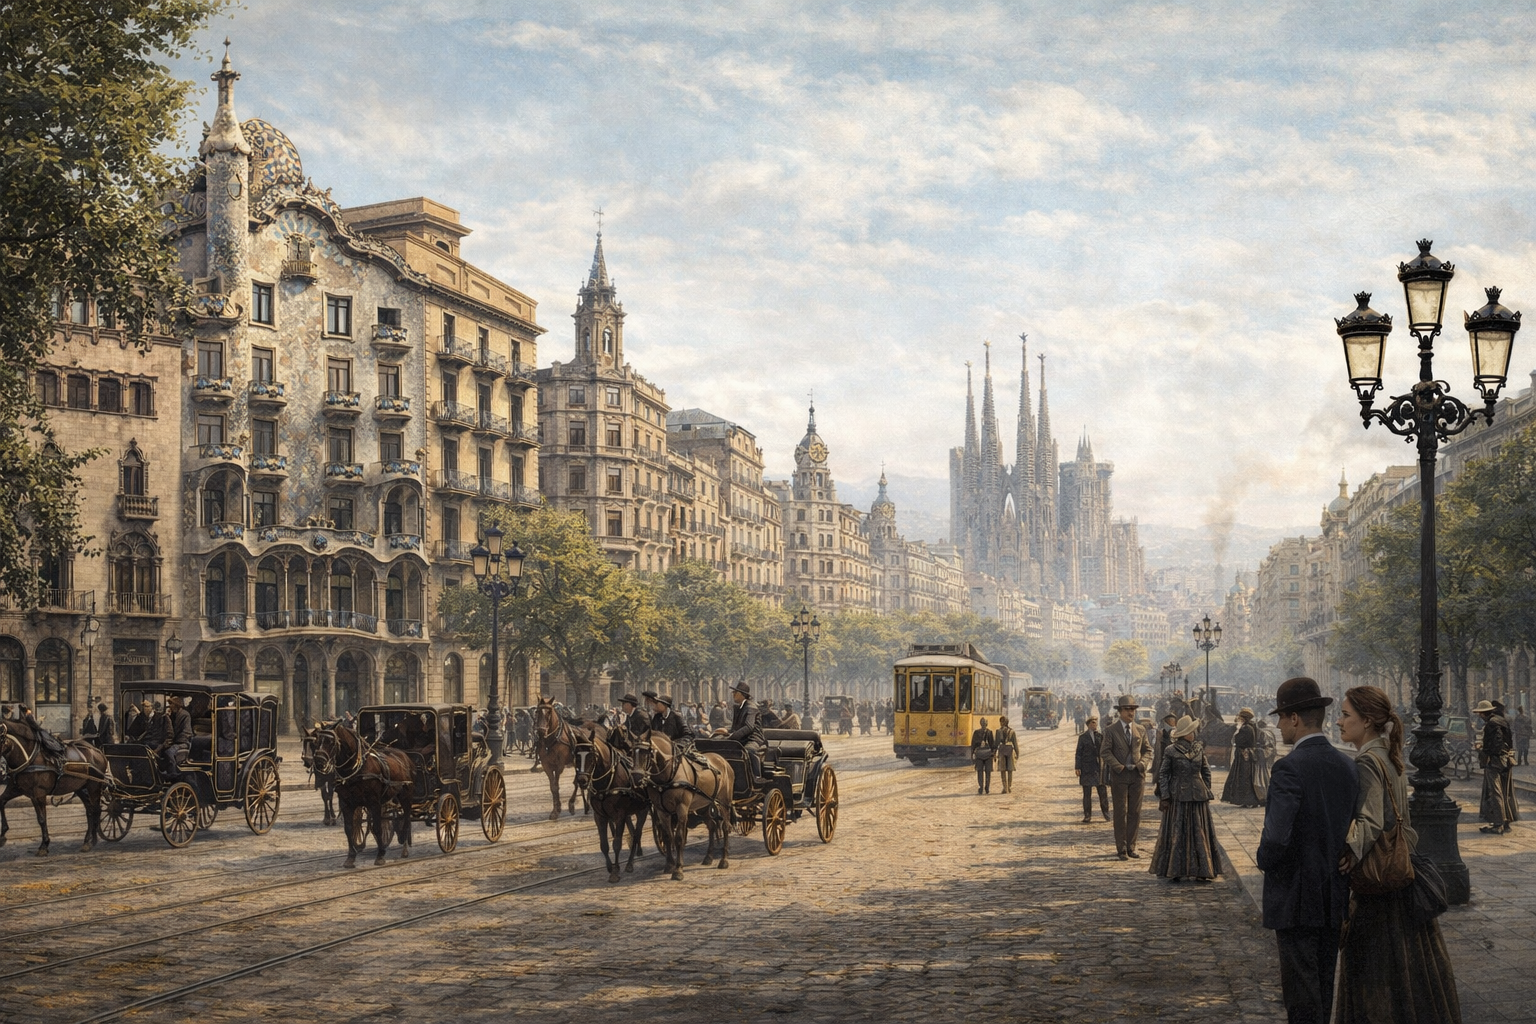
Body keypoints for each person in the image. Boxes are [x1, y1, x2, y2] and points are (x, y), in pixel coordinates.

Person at [1334, 685, 1462, 1024]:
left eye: (1346, 715)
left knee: (1378, 972)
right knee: (1410, 969)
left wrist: (1349, 851)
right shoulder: (1387, 754)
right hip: (1400, 874)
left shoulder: (1366, 760)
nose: (1339, 721)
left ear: (1368, 720)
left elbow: (1372, 821)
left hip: (1379, 880)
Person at [1257, 677, 1359, 1024]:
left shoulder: (1288, 767)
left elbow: (1275, 839)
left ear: (1295, 719)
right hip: (1333, 895)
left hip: (1295, 896)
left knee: (1300, 997)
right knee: (1322, 985)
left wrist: (1265, 862)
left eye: (1281, 718)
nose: (1279, 725)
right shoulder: (1347, 765)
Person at [1151, 715, 1223, 883]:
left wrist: (1205, 789)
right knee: (1178, 831)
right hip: (1178, 797)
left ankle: (1202, 870)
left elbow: (1206, 771)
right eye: (1192, 731)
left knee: (1200, 831)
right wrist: (1166, 795)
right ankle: (1175, 869)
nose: (1194, 733)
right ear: (1185, 734)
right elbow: (1163, 774)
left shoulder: (1199, 748)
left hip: (1198, 798)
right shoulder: (1171, 750)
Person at [1099, 694, 1152, 860]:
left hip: (1137, 775)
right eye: (1128, 709)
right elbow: (1105, 752)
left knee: (1135, 812)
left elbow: (1148, 750)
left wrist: (1142, 764)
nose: (1131, 713)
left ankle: (1131, 847)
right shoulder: (1111, 730)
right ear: (1120, 711)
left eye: (1133, 709)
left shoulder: (1141, 729)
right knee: (1121, 812)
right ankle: (1121, 848)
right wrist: (1118, 766)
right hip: (1120, 776)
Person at [1473, 699, 1518, 834]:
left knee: (1495, 792)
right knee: (1505, 791)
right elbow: (1509, 740)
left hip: (1495, 761)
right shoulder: (1502, 720)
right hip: (1506, 759)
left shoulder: (1491, 724)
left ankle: (1498, 824)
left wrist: (1483, 750)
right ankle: (1506, 822)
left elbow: (1496, 743)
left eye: (1480, 713)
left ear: (1482, 714)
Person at [1222, 708, 1265, 807]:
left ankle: (1248, 801)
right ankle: (1246, 801)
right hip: (1245, 755)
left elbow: (1239, 741)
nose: (1238, 718)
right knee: (1245, 778)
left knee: (1244, 778)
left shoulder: (1246, 728)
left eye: (1240, 717)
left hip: (1244, 755)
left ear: (1244, 718)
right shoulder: (1250, 726)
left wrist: (1237, 733)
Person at [727, 682, 766, 778]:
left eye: (734, 693)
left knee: (749, 751)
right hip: (742, 739)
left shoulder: (750, 707)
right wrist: (726, 732)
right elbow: (735, 728)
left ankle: (756, 777)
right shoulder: (738, 707)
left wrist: (731, 737)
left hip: (753, 739)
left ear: (740, 694)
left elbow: (749, 727)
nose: (733, 695)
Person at [1076, 713, 1109, 823]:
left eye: (1096, 723)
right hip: (1087, 768)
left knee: (1102, 792)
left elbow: (1105, 751)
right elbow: (1078, 753)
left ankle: (1106, 813)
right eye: (1093, 723)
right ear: (1088, 725)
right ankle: (1087, 815)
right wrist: (1078, 767)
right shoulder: (1083, 737)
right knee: (1087, 794)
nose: (1095, 725)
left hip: (1099, 769)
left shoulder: (1100, 736)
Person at [994, 715, 1020, 794]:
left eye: (1001, 722)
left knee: (1002, 770)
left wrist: (994, 754)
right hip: (1010, 750)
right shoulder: (1012, 732)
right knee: (1010, 769)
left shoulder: (998, 731)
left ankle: (1005, 787)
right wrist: (1017, 753)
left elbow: (996, 744)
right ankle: (1009, 786)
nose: (1001, 723)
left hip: (1002, 750)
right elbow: (1015, 744)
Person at [970, 716, 996, 794]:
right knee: (987, 772)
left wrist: (972, 754)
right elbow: (992, 745)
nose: (984, 724)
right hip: (988, 754)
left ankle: (981, 787)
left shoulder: (976, 732)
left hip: (979, 754)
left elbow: (973, 744)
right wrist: (993, 754)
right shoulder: (989, 732)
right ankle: (986, 787)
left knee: (980, 771)